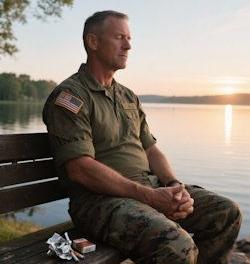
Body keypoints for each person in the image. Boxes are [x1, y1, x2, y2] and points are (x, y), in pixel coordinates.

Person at [43, 10, 242, 264]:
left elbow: (151, 150)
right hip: (99, 203)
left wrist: (172, 185)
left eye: (129, 38)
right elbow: (80, 169)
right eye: (119, 37)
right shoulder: (71, 97)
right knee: (177, 246)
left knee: (226, 213)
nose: (128, 45)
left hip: (147, 189)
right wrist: (149, 196)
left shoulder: (127, 96)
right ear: (93, 42)